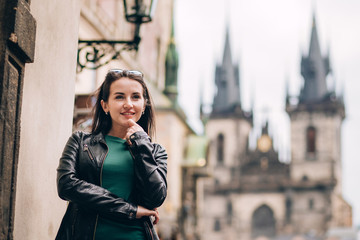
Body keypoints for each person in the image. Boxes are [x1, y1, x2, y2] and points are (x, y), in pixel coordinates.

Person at [55, 69, 167, 240]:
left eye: (135, 97)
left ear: (144, 105)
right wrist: (130, 210)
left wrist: (141, 143)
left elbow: (155, 198)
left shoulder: (155, 151)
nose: (128, 103)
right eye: (119, 97)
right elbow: (67, 185)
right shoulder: (80, 142)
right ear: (105, 105)